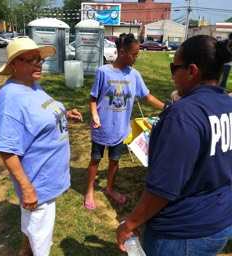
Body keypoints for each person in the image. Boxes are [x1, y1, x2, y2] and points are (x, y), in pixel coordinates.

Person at [116, 35, 232, 256]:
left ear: (192, 71)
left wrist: (129, 224)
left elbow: (163, 188)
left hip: (182, 232)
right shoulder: (228, 105)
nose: (171, 75)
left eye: (174, 67)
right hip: (221, 223)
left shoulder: (183, 115)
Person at [0, 38, 83, 256]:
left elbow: (40, 113)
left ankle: (24, 251)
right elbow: (7, 149)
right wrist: (27, 188)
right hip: (38, 183)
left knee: (32, 227)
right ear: (14, 64)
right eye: (32, 59)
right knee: (41, 240)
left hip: (47, 178)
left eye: (40, 58)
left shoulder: (32, 84)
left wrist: (63, 113)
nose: (39, 63)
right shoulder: (11, 98)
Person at [84, 33, 164, 211]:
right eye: (134, 54)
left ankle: (109, 189)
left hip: (120, 129)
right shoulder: (103, 71)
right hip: (101, 127)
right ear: (122, 52)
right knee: (95, 159)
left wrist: (167, 107)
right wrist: (95, 115)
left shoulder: (134, 75)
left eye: (137, 55)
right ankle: (89, 191)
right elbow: (92, 98)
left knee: (114, 160)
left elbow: (147, 96)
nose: (136, 58)